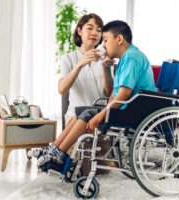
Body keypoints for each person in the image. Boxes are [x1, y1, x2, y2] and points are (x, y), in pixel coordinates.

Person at [37, 20, 156, 171]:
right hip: (127, 107)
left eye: (105, 40)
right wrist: (105, 109)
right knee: (81, 111)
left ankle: (58, 154)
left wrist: (100, 116)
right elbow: (115, 93)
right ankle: (55, 149)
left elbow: (123, 94)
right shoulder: (126, 59)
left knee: (89, 113)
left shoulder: (132, 58)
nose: (103, 45)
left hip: (133, 111)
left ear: (119, 39)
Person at [29, 13, 113, 158]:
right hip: (74, 117)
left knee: (81, 162)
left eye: (99, 30)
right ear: (80, 31)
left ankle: (50, 150)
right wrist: (80, 64)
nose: (94, 33)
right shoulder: (68, 58)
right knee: (71, 160)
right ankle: (52, 151)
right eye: (90, 28)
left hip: (97, 116)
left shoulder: (105, 59)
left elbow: (110, 93)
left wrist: (106, 69)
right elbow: (61, 89)